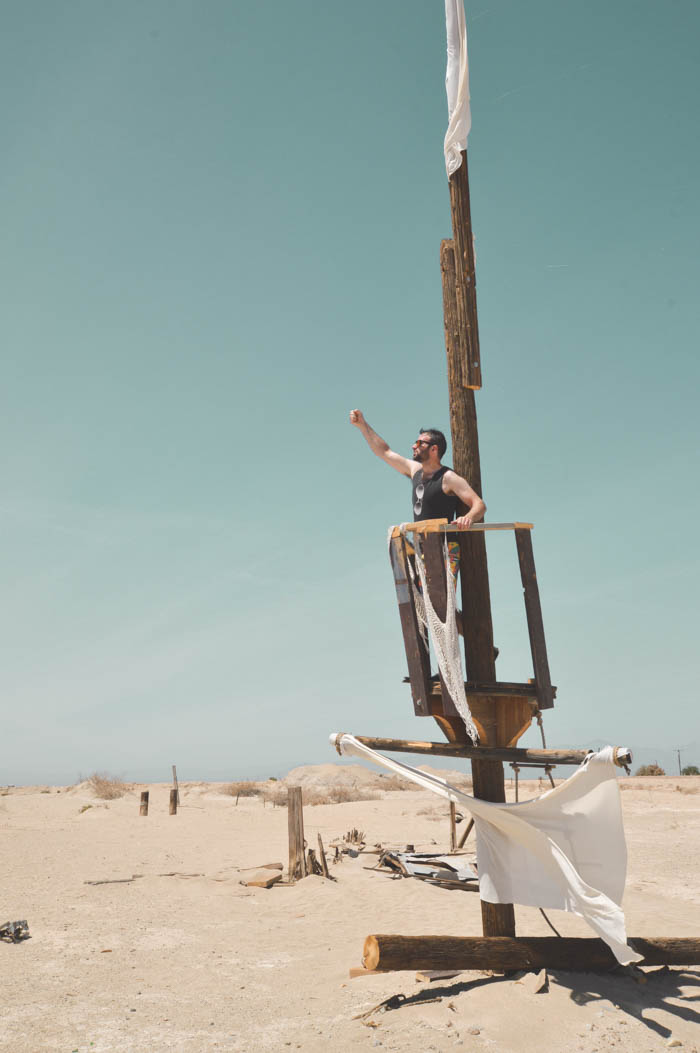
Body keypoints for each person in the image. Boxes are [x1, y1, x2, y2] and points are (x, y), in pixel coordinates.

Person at [349, 409, 485, 587]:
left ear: (434, 449)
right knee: (423, 605)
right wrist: (362, 425)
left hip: (445, 549)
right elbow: (385, 452)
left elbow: (479, 505)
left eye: (420, 443)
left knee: (441, 604)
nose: (414, 446)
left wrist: (468, 518)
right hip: (422, 548)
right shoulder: (415, 471)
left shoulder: (448, 477)